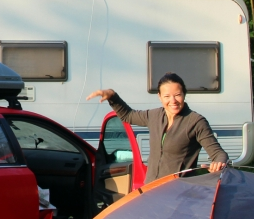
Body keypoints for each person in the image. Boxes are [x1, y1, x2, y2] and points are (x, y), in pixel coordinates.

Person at [86, 73, 229, 180]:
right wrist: (112, 96)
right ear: (159, 97)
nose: (173, 101)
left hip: (180, 192)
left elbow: (219, 154)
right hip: (152, 190)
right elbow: (128, 115)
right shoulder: (154, 116)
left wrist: (218, 163)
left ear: (184, 94)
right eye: (167, 96)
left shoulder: (196, 121)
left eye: (177, 95)